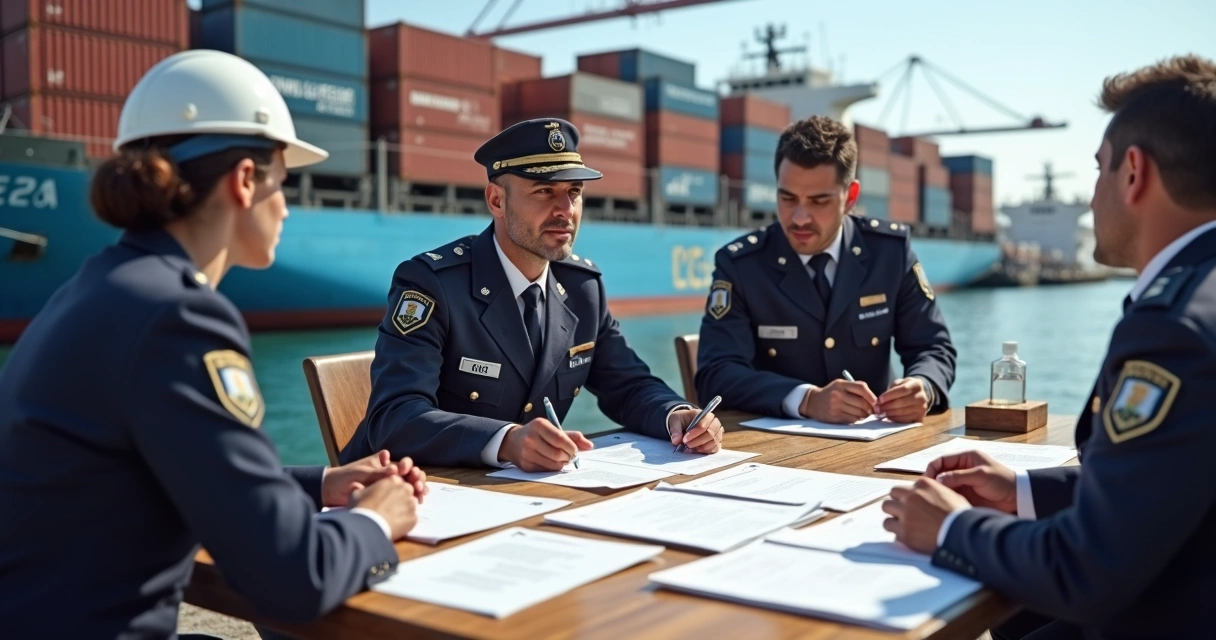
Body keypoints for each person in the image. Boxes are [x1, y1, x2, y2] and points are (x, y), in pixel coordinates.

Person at [0, 50, 428, 638]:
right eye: (283, 183)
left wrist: (319, 484)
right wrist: (376, 522)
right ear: (245, 180)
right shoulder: (180, 316)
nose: (287, 208)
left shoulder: (96, 287)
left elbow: (153, 469)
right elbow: (290, 577)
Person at [882, 54, 1216, 639]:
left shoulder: (1175, 329)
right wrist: (1022, 490)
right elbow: (1168, 482)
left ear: (1133, 172)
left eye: (1099, 169)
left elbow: (1088, 568)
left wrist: (951, 529)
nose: (1090, 199)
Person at [340, 118, 722, 470]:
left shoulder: (583, 288)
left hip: (520, 497)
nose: (565, 210)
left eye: (574, 192)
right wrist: (506, 441)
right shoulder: (433, 284)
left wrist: (676, 415)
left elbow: (629, 384)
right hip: (399, 492)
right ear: (497, 201)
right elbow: (394, 417)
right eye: (544, 191)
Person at [694, 115, 956, 425]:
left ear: (850, 197)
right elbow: (716, 373)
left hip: (876, 442)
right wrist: (805, 399)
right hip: (773, 446)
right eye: (787, 198)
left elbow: (933, 347)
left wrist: (923, 387)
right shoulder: (741, 265)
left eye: (819, 201)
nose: (800, 218)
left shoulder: (889, 252)